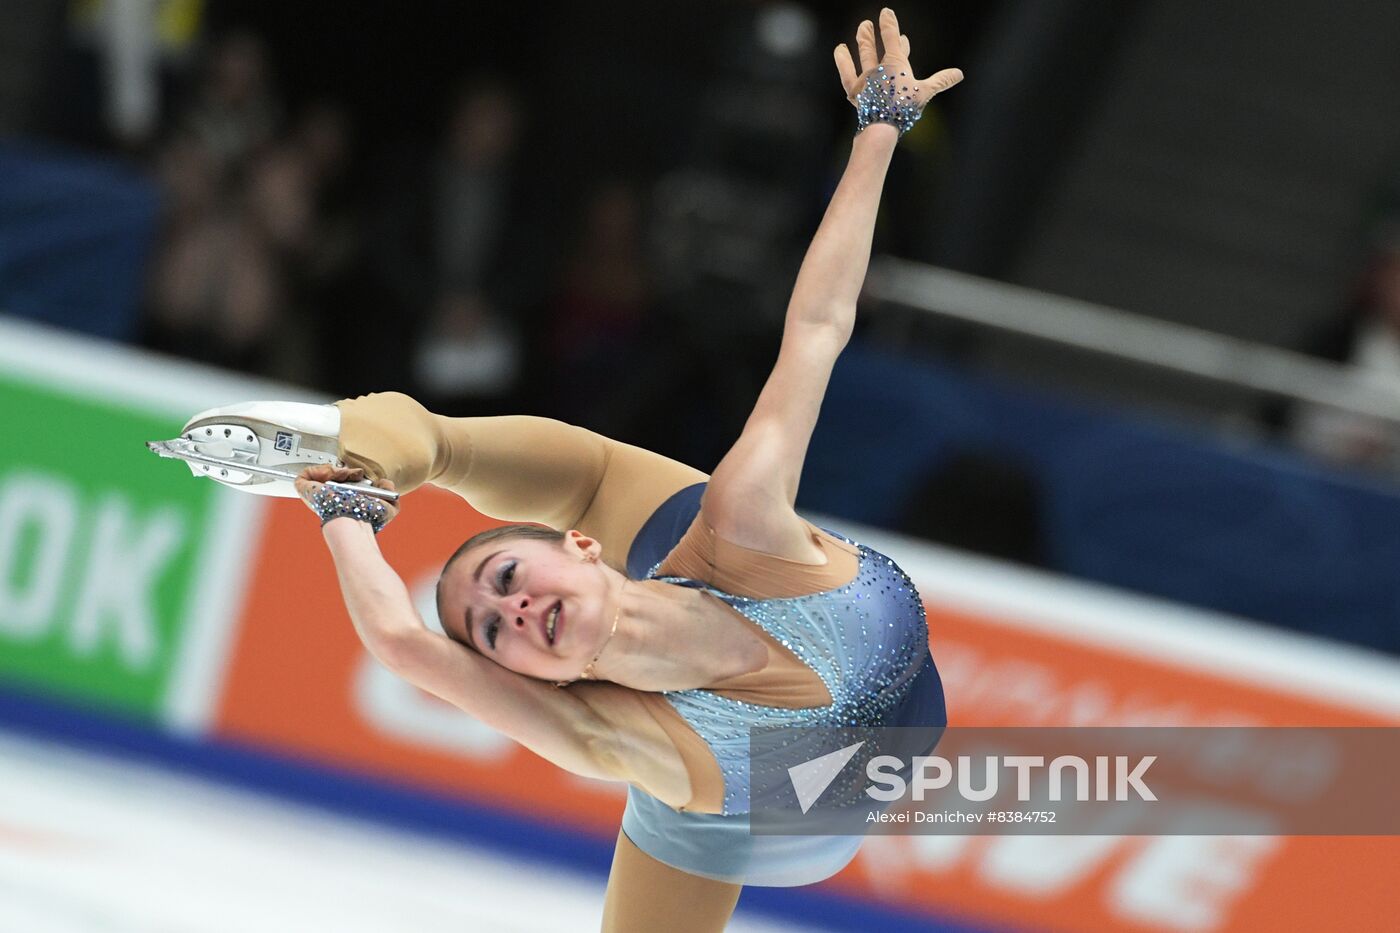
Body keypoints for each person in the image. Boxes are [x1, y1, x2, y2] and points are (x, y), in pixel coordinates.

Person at [176, 11, 959, 930]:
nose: (508, 609)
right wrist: (343, 518)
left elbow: (818, 327)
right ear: (536, 677)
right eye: (493, 630)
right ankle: (372, 449)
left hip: (800, 627)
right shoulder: (611, 735)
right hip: (767, 817)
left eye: (504, 580)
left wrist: (875, 133)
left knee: (556, 465)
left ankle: (377, 437)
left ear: (586, 551)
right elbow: (400, 642)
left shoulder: (740, 518)